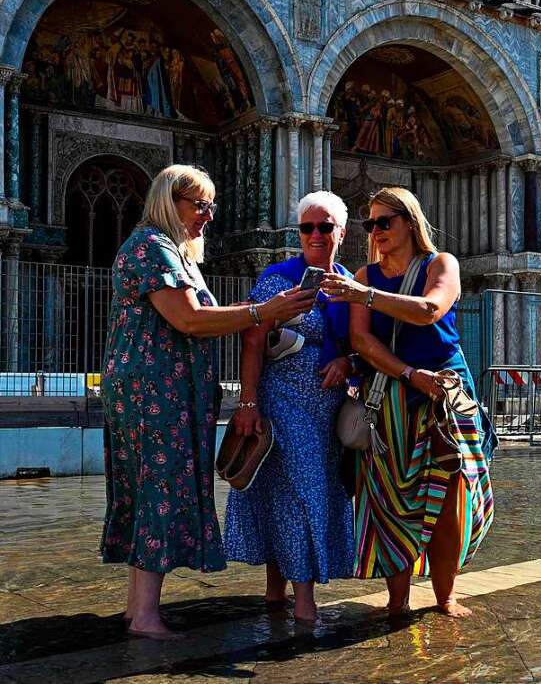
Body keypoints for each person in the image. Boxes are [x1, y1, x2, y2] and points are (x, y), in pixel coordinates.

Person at [100, 165, 317, 640]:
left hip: (156, 389)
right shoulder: (153, 247)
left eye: (211, 206)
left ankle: (137, 609)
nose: (207, 215)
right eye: (199, 205)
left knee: (146, 491)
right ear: (168, 201)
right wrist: (263, 311)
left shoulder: (166, 249)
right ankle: (145, 616)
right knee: (158, 490)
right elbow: (190, 320)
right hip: (156, 392)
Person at [321, 187, 494, 618]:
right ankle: (397, 599)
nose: (376, 231)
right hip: (392, 397)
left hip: (444, 394)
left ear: (410, 222)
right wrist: (408, 373)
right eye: (370, 224)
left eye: (385, 222)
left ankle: (445, 597)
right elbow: (360, 339)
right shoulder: (365, 276)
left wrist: (366, 298)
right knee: (388, 498)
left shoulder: (441, 264)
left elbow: (429, 310)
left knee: (451, 494)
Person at [224, 191, 356, 623]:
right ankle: (304, 599)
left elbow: (362, 345)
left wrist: (346, 361)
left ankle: (274, 589)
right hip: (281, 401)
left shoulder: (349, 284)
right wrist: (247, 402)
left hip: (328, 411)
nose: (315, 234)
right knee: (300, 493)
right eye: (307, 227)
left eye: (325, 226)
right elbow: (252, 338)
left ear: (342, 231)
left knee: (286, 494)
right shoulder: (278, 278)